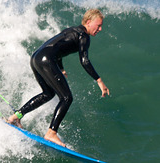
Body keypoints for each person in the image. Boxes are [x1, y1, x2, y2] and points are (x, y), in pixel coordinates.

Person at [8, 9, 110, 147]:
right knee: (67, 98)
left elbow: (57, 47)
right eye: (98, 25)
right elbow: (84, 60)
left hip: (36, 58)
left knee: (48, 93)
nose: (100, 29)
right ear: (88, 22)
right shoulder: (84, 36)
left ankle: (15, 117)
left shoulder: (72, 30)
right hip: (47, 60)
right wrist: (99, 81)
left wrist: (61, 68)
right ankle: (51, 133)